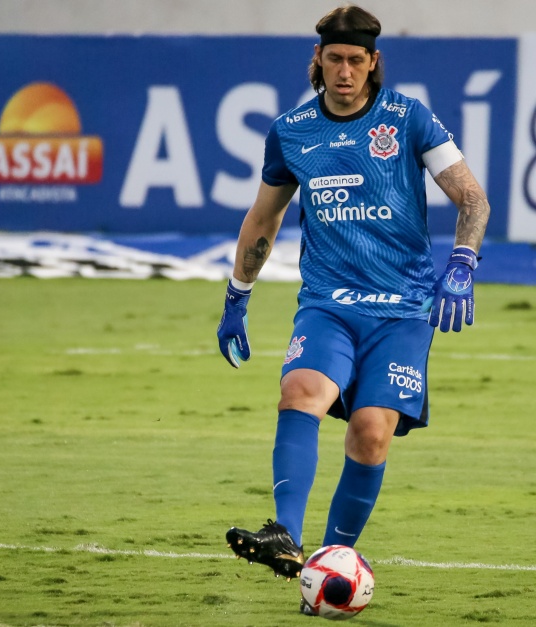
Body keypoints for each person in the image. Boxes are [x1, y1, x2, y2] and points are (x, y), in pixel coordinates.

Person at [216, 3, 490, 588]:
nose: (344, 71)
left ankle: (327, 561)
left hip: (402, 310)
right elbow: (263, 218)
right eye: (334, 59)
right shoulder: (291, 133)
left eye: (356, 61)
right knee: (300, 390)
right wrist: (237, 295)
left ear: (373, 63)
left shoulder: (410, 119)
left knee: (370, 432)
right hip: (328, 304)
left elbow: (472, 197)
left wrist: (462, 263)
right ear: (317, 60)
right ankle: (284, 534)